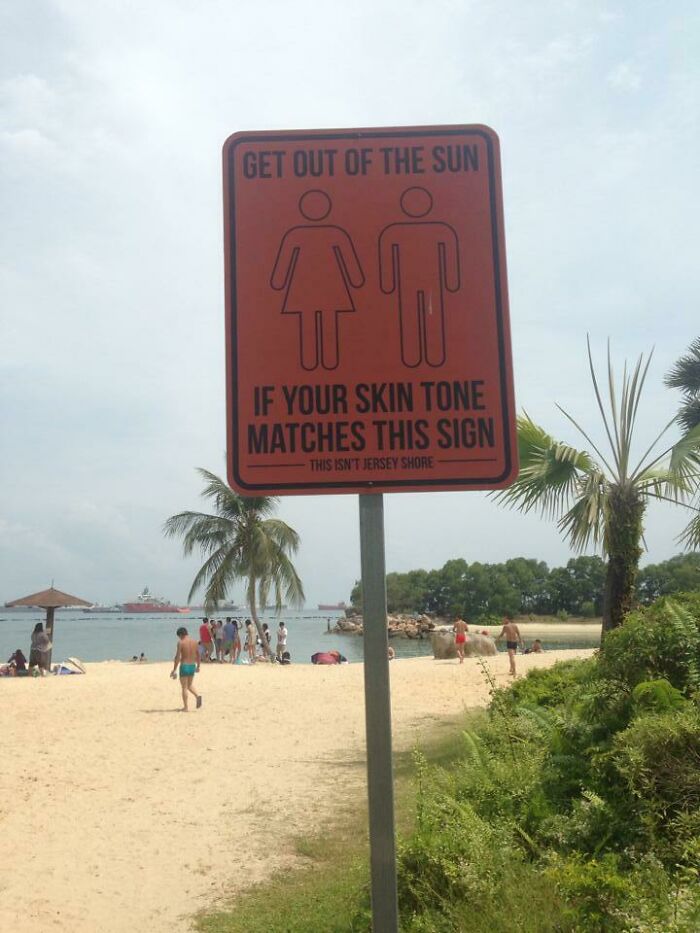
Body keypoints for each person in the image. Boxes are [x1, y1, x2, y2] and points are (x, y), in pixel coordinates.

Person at [170, 627, 201, 712]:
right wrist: (198, 666)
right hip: (192, 666)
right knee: (189, 685)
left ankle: (186, 707)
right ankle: (197, 696)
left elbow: (177, 657)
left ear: (180, 635)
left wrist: (174, 669)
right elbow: (198, 655)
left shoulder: (181, 642)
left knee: (184, 687)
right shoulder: (195, 642)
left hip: (184, 666)